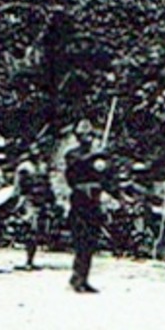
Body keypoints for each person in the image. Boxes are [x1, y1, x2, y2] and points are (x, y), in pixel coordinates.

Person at [64, 122, 110, 293]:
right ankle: (77, 277)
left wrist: (103, 163)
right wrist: (94, 156)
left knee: (91, 241)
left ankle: (83, 278)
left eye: (91, 135)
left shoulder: (97, 158)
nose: (90, 138)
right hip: (79, 201)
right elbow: (76, 166)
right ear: (78, 138)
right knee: (80, 241)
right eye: (86, 135)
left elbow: (105, 176)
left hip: (94, 201)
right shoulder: (72, 155)